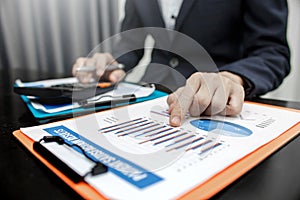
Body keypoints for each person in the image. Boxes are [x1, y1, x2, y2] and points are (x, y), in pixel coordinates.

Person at [73, 0, 290, 127]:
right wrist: (111, 63)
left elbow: (272, 52)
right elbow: (131, 41)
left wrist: (231, 78)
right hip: (150, 98)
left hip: (215, 106)